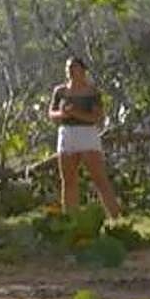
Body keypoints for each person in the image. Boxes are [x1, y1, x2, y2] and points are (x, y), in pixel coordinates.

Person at [49, 57, 121, 218]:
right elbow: (52, 114)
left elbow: (96, 117)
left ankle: (116, 216)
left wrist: (75, 113)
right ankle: (71, 218)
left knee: (99, 178)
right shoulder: (60, 91)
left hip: (87, 134)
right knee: (68, 180)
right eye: (68, 68)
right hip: (67, 134)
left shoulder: (92, 92)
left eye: (74, 67)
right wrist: (63, 114)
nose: (70, 71)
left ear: (82, 70)